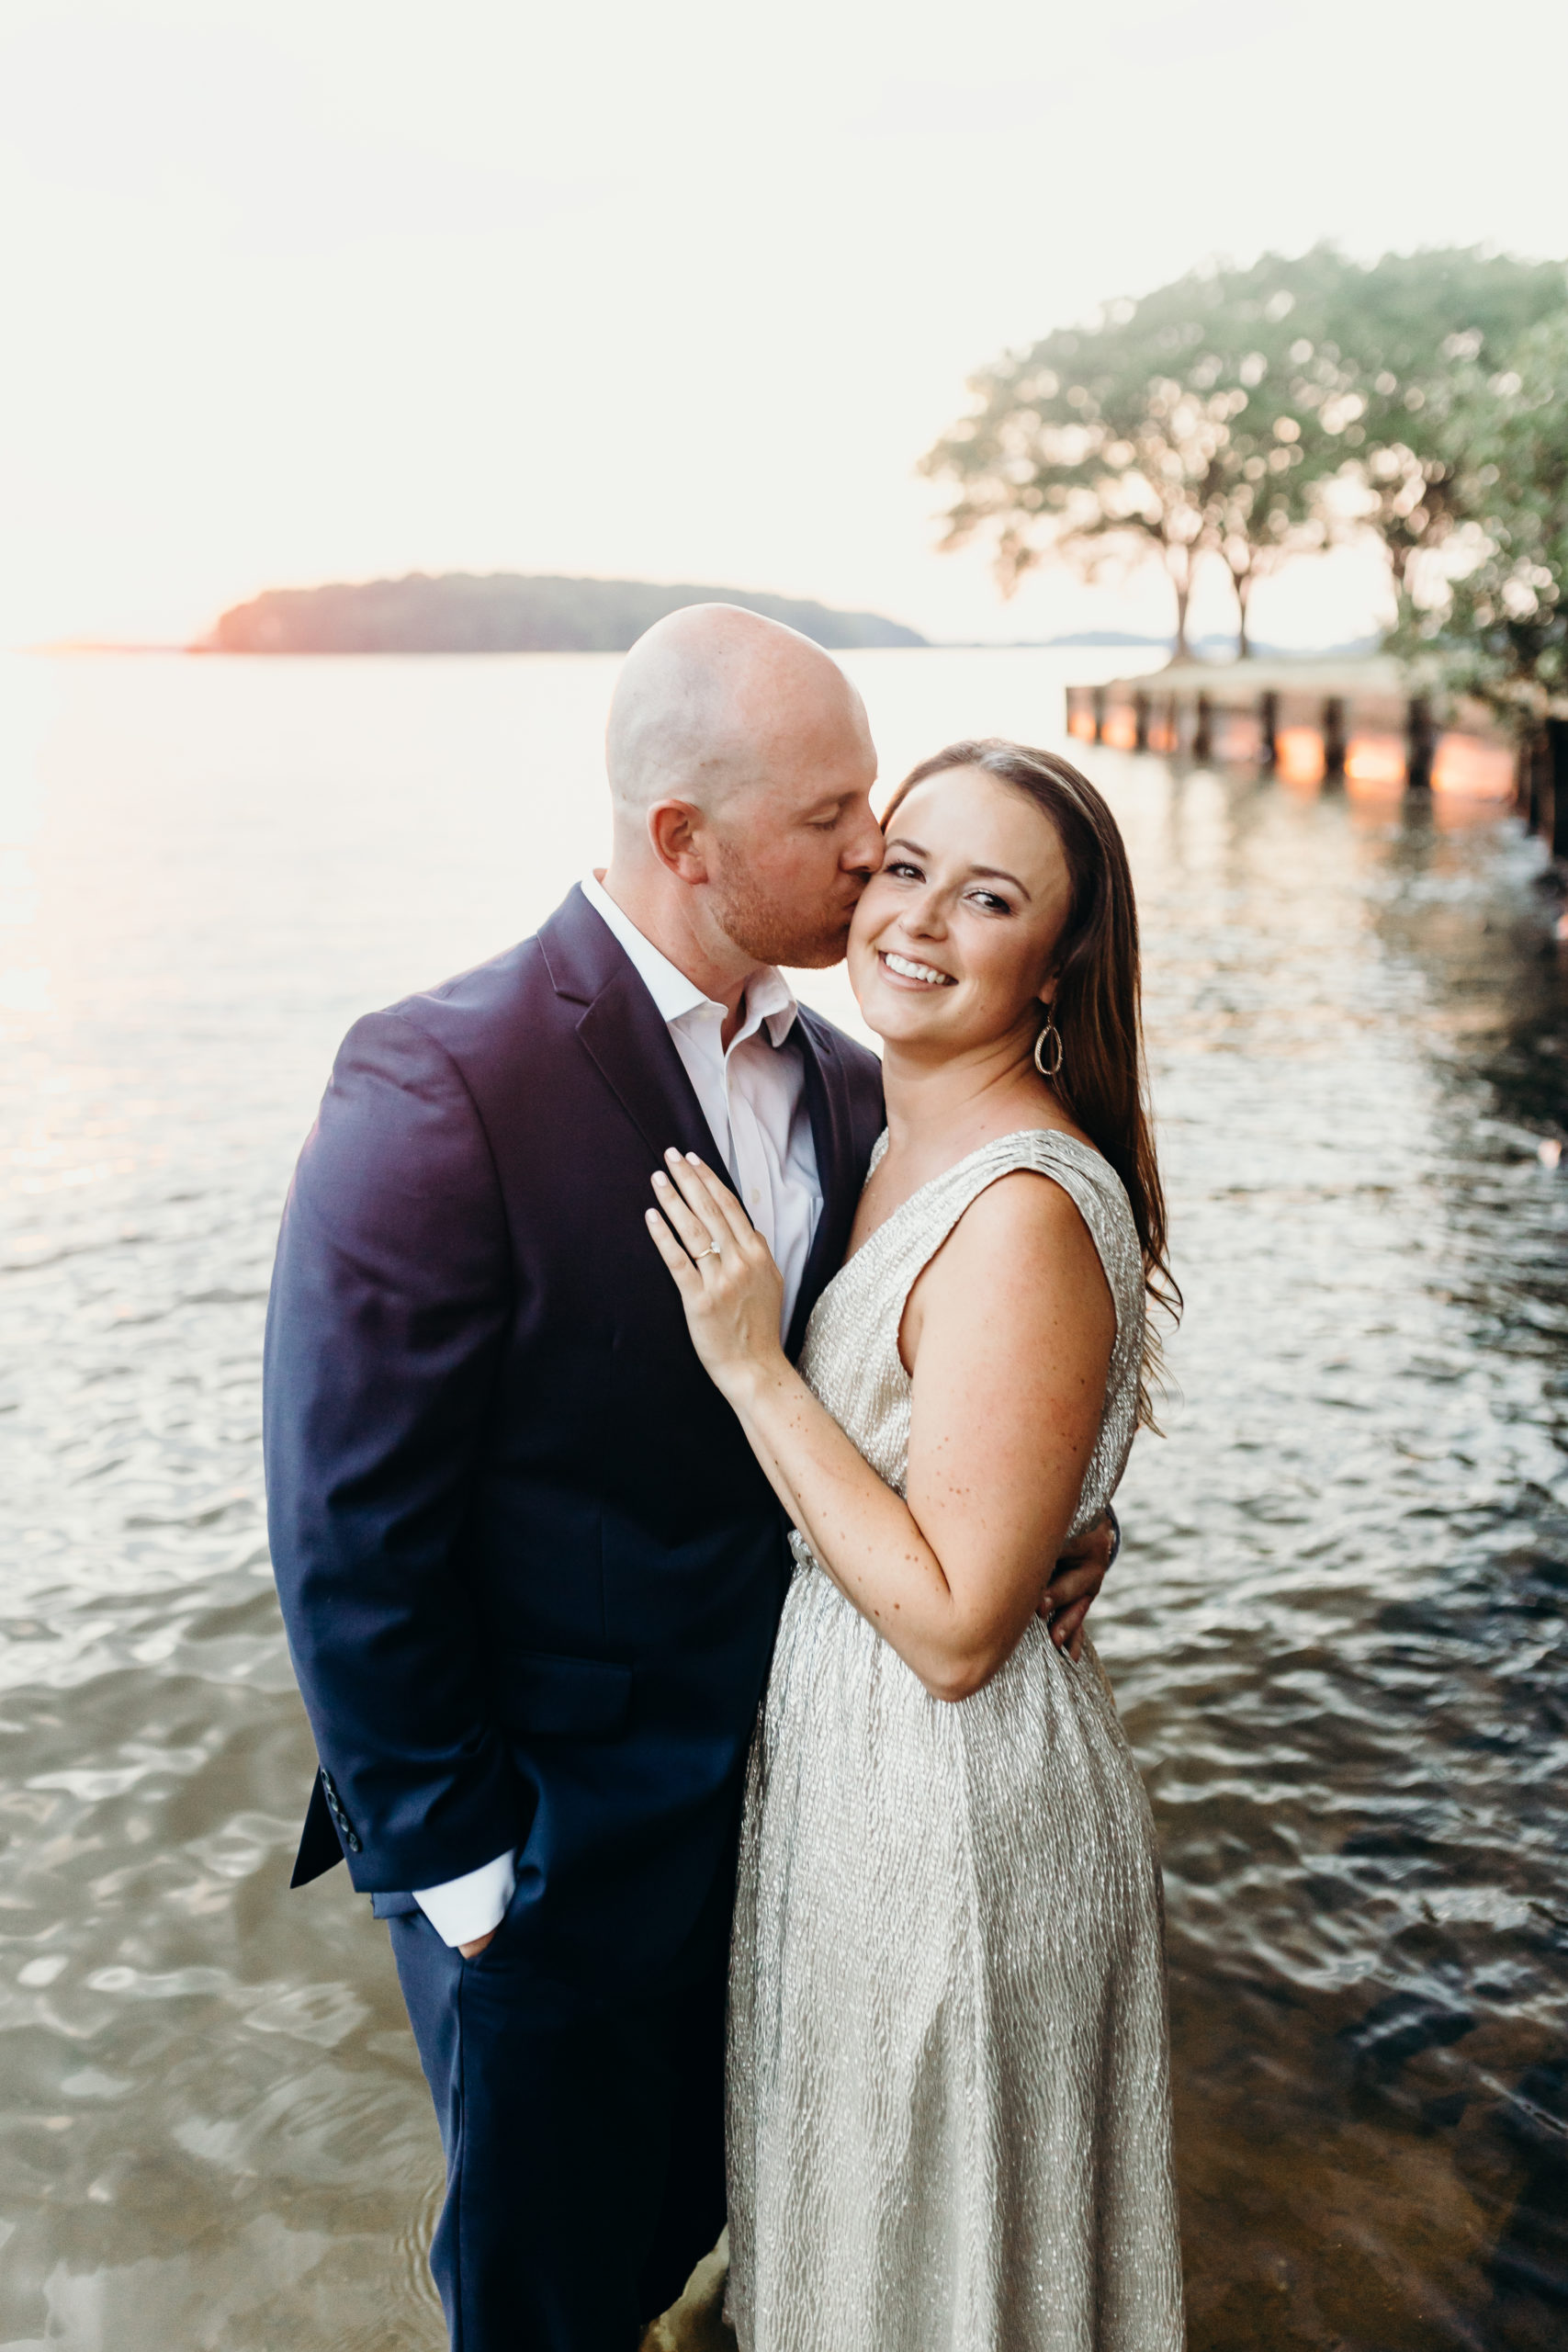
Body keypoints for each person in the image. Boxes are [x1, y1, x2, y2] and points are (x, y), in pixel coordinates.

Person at [263, 612, 1117, 2352]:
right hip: (550, 1864)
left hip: (801, 1823)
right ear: (685, 840)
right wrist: (465, 1875)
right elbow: (348, 1522)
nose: (873, 849)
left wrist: (1058, 1516)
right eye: (832, 818)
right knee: (542, 2300)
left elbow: (949, 1378)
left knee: (738, 2248)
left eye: (874, 805)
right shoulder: (446, 1077)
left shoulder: (863, 1089)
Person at [645, 739, 1185, 2352]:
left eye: (991, 898)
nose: (922, 920)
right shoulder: (883, 1128)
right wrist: (1066, 1521)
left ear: (1059, 964)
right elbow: (967, 1465)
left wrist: (752, 1366)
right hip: (861, 1783)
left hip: (956, 1816)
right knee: (873, 2253)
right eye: (904, 867)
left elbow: (955, 1629)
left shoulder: (1018, 1206)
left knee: (945, 2278)